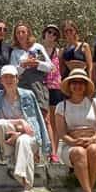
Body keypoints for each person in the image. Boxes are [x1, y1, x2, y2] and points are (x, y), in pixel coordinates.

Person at [0, 65, 50, 192]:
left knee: (23, 140)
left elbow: (35, 124)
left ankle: (27, 190)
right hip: (8, 140)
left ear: (17, 79)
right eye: (6, 77)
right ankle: (11, 157)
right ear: (1, 80)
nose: (9, 80)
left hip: (28, 139)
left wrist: (41, 146)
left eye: (12, 77)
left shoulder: (28, 95)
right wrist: (20, 122)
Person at [55, 69, 96, 192]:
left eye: (81, 83)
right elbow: (61, 133)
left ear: (86, 85)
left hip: (93, 141)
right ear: (69, 85)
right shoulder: (61, 106)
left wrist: (93, 139)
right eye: (74, 82)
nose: (77, 85)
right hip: (71, 145)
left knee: (94, 150)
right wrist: (74, 142)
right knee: (78, 152)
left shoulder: (95, 103)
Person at [10, 22, 53, 114]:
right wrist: (23, 65)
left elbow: (50, 67)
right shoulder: (15, 52)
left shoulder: (37, 48)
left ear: (28, 33)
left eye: (23, 32)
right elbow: (13, 72)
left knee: (44, 117)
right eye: (18, 33)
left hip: (39, 87)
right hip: (23, 88)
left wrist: (37, 63)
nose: (21, 35)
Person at [41, 24, 62, 163]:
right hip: (40, 87)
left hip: (55, 88)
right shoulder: (38, 49)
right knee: (43, 119)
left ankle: (54, 152)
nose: (51, 35)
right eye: (49, 32)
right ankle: (43, 151)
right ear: (44, 34)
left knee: (53, 122)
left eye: (55, 34)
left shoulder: (58, 51)